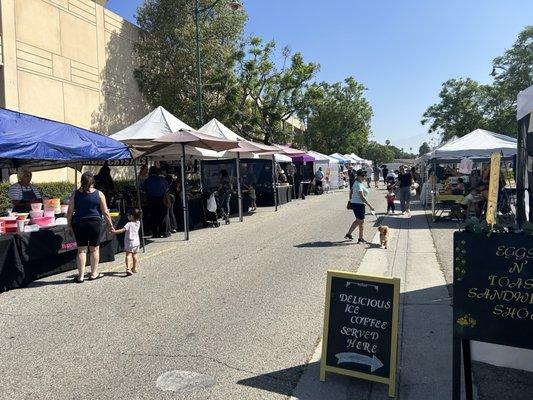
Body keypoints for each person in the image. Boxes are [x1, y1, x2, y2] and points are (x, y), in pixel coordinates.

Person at [67, 171, 113, 283]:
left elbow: (69, 212)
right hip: (95, 223)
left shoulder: (75, 194)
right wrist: (110, 225)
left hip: (79, 223)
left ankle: (81, 276)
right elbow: (106, 212)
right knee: (94, 249)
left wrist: (68, 226)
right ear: (93, 181)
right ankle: (94, 273)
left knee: (81, 250)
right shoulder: (99, 194)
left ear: (82, 181)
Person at [345, 169, 375, 243]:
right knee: (361, 222)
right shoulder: (357, 184)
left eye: (364, 176)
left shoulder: (358, 182)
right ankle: (360, 238)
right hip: (358, 205)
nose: (364, 177)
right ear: (358, 176)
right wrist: (370, 206)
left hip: (358, 204)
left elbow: (351, 191)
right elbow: (362, 197)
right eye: (362, 176)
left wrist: (351, 199)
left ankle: (349, 234)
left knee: (358, 221)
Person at [112, 208, 142, 276]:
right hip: (136, 242)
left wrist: (114, 232)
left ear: (131, 216)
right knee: (135, 255)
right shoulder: (138, 223)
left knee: (128, 255)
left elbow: (122, 230)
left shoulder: (129, 224)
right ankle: (134, 268)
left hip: (129, 242)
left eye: (128, 215)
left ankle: (128, 268)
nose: (127, 216)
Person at [142, 166, 170, 238]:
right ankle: (164, 232)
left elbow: (144, 190)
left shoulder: (147, 180)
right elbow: (167, 190)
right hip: (162, 199)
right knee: (163, 216)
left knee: (153, 217)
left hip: (151, 200)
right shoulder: (162, 179)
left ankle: (155, 233)